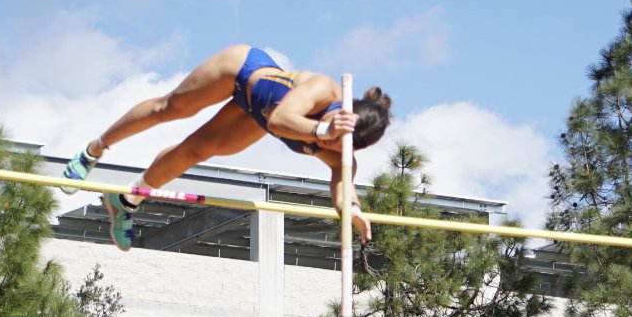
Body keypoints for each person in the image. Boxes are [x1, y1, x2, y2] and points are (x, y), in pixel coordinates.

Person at [59, 44, 392, 252]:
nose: (329, 145)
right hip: (241, 71)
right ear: (343, 116)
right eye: (334, 137)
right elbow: (280, 118)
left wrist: (353, 212)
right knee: (171, 108)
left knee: (195, 151)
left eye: (338, 144)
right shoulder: (323, 89)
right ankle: (94, 150)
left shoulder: (340, 155)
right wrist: (322, 128)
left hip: (253, 118)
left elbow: (342, 187)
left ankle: (126, 199)